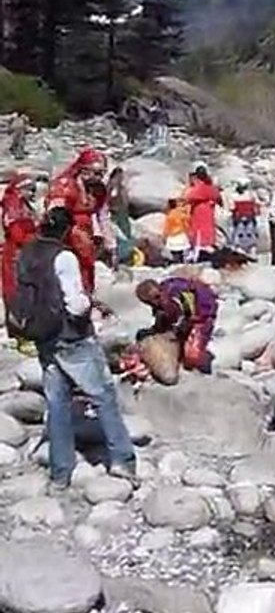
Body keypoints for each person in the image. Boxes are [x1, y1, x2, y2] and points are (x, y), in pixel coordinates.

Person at [19, 207, 137, 491]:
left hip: (42, 334)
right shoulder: (64, 257)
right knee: (103, 395)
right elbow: (75, 303)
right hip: (70, 336)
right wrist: (90, 310)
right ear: (66, 229)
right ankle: (122, 460)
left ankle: (61, 473)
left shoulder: (27, 253)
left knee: (56, 402)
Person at [46, 148, 112, 293]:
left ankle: (87, 294)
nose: (100, 177)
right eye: (96, 173)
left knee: (87, 267)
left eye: (102, 173)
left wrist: (108, 240)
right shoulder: (65, 185)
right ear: (84, 170)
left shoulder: (98, 189)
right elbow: (55, 214)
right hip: (66, 233)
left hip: (87, 233)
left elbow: (102, 214)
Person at [135, 277, 218, 375]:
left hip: (203, 315)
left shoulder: (178, 296)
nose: (154, 304)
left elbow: (189, 316)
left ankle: (211, 365)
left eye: (155, 299)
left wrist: (183, 327)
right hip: (190, 315)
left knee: (192, 357)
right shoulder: (164, 299)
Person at [2, 174, 37, 347]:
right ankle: (19, 333)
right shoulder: (12, 205)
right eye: (30, 190)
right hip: (16, 254)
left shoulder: (24, 205)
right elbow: (16, 233)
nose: (33, 194)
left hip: (27, 252)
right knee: (17, 292)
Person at [183, 165, 221, 263]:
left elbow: (188, 196)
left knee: (199, 236)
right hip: (208, 213)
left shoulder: (200, 188)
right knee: (207, 234)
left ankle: (198, 257)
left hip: (200, 214)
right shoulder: (211, 188)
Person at [107, 167, 132, 267]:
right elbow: (111, 199)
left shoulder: (120, 187)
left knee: (124, 234)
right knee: (119, 236)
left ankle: (123, 256)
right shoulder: (113, 186)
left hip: (122, 213)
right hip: (117, 214)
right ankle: (119, 258)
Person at [230, 180, 260, 256]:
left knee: (239, 232)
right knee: (249, 232)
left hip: (240, 218)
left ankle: (240, 247)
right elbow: (256, 206)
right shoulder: (251, 195)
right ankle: (251, 248)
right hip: (249, 217)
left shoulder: (234, 196)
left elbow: (232, 208)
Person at [163, 198, 190, 263]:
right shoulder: (182, 214)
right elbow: (187, 224)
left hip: (172, 236)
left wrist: (165, 235)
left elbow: (167, 227)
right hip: (180, 235)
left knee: (175, 254)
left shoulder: (169, 214)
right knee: (181, 254)